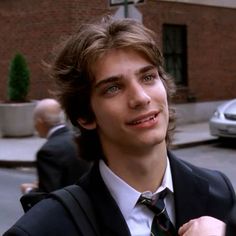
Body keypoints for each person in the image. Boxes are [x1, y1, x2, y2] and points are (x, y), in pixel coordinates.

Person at [4, 16, 235, 235]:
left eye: (148, 77)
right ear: (85, 116)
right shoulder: (43, 229)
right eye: (113, 88)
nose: (141, 98)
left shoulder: (218, 191)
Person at [20, 98, 89, 193]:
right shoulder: (78, 139)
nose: (34, 125)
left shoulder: (47, 152)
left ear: (40, 121)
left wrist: (29, 190)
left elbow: (48, 195)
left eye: (34, 120)